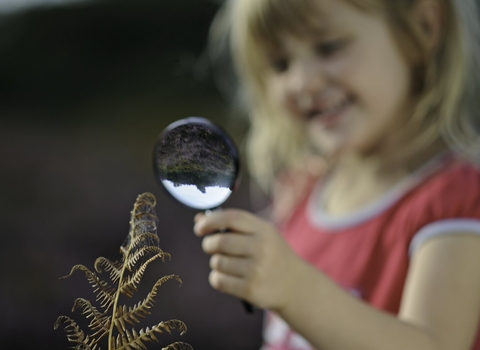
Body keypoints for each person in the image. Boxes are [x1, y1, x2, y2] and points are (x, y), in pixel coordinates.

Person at [193, 0, 480, 349]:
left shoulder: (456, 199)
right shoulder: (302, 189)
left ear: (423, 25)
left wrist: (294, 287)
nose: (302, 82)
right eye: (280, 64)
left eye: (329, 47)